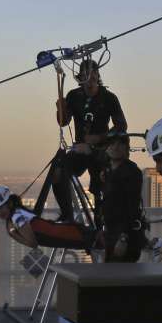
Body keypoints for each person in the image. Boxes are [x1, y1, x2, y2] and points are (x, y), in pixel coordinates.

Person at [51, 59, 127, 222]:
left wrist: (99, 138)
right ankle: (67, 215)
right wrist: (60, 108)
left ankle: (100, 224)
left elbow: (121, 126)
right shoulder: (74, 96)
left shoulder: (109, 98)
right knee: (57, 172)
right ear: (80, 78)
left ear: (98, 76)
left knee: (100, 186)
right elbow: (63, 122)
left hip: (102, 151)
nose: (90, 80)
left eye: (93, 76)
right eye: (85, 76)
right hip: (80, 150)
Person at [93, 129, 147, 323]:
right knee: (120, 284)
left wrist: (123, 237)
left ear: (127, 149)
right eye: (111, 144)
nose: (115, 148)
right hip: (113, 233)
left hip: (125, 235)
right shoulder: (108, 170)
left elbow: (130, 208)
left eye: (120, 144)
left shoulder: (131, 172)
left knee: (116, 285)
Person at [0, 185, 95, 251]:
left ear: (9, 203)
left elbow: (33, 243)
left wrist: (13, 235)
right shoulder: (19, 213)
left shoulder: (18, 217)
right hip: (75, 234)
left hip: (77, 236)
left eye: (0, 208)